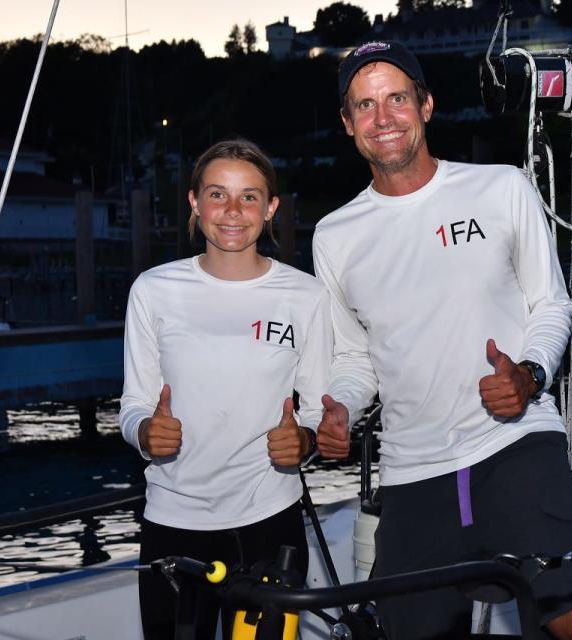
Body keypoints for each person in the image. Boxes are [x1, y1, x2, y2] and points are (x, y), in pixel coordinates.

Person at [313, 40, 572, 640]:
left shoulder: (500, 189)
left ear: (425, 104)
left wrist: (529, 374)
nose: (383, 117)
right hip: (412, 473)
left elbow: (550, 304)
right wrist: (340, 404)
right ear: (347, 124)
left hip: (513, 447)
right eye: (365, 106)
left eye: (396, 98)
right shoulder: (333, 235)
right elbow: (353, 355)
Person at [119, 139, 330, 639]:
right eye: (218, 194)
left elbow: (321, 408)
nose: (233, 211)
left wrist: (304, 441)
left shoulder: (306, 295)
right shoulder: (152, 290)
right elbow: (132, 406)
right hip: (172, 525)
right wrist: (146, 433)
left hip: (269, 522)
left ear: (271, 207)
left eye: (250, 196)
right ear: (194, 202)